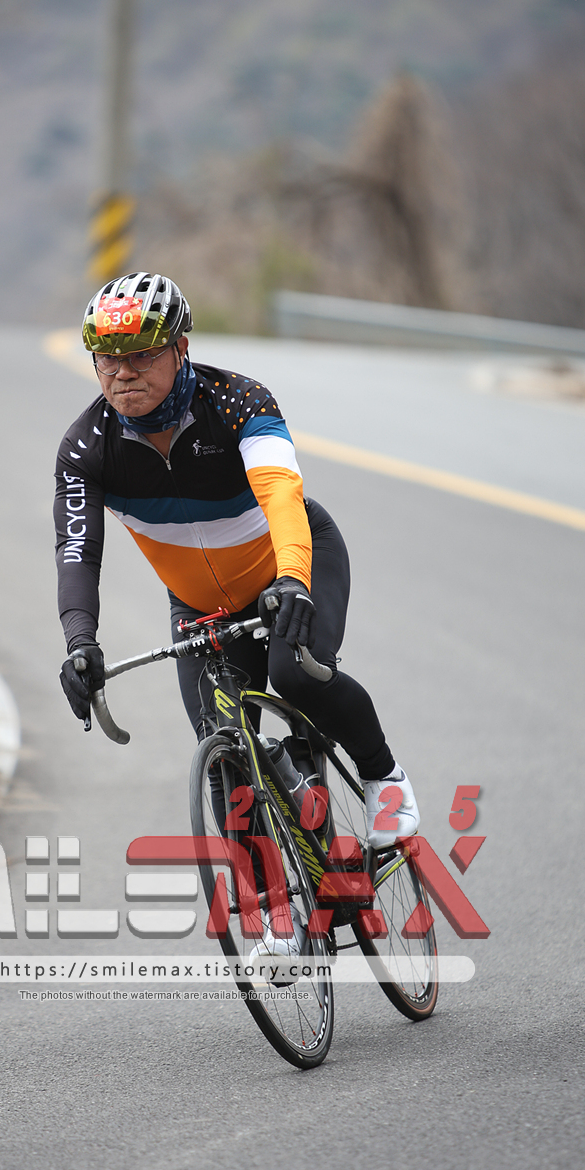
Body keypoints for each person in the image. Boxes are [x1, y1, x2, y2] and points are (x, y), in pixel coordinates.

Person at [53, 271, 419, 859]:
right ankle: (274, 900)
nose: (123, 372)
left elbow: (281, 495)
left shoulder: (237, 401)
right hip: (199, 606)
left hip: (294, 563)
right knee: (224, 752)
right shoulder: (86, 448)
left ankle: (385, 779)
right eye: (108, 358)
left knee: (296, 674)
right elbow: (76, 552)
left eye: (142, 354)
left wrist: (293, 579)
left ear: (180, 348)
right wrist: (79, 642)